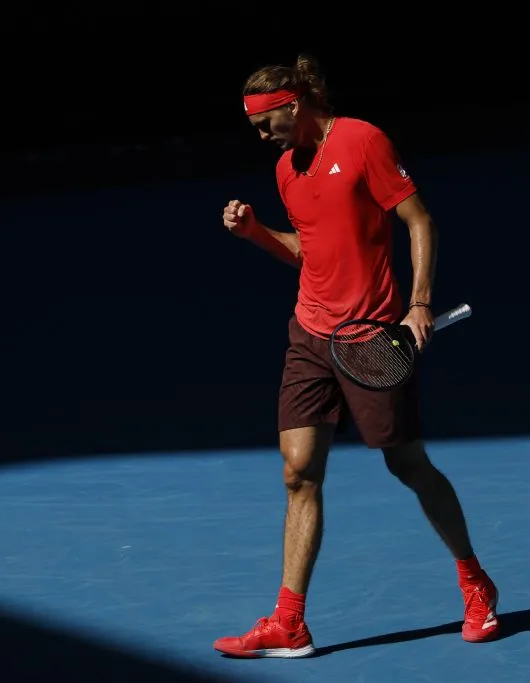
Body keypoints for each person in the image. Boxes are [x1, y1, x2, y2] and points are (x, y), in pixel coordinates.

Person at [213, 54, 498, 658]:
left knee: (408, 466)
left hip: (370, 336)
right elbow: (309, 253)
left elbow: (420, 222)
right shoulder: (287, 170)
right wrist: (257, 234)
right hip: (309, 335)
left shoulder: (363, 140)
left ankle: (475, 582)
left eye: (266, 123)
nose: (260, 137)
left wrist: (419, 303)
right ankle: (289, 621)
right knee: (299, 472)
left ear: (293, 105)